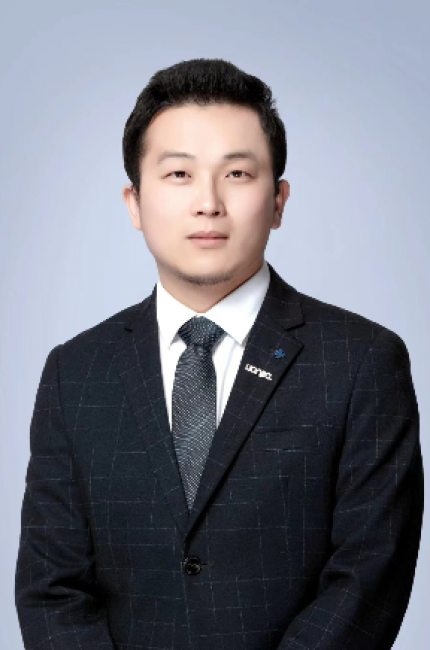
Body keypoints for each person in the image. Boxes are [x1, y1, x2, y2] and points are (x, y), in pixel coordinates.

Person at [15, 57, 424, 650]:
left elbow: (368, 576)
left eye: (237, 173)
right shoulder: (75, 372)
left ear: (278, 200)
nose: (208, 203)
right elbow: (51, 588)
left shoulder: (360, 361)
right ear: (134, 202)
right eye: (179, 174)